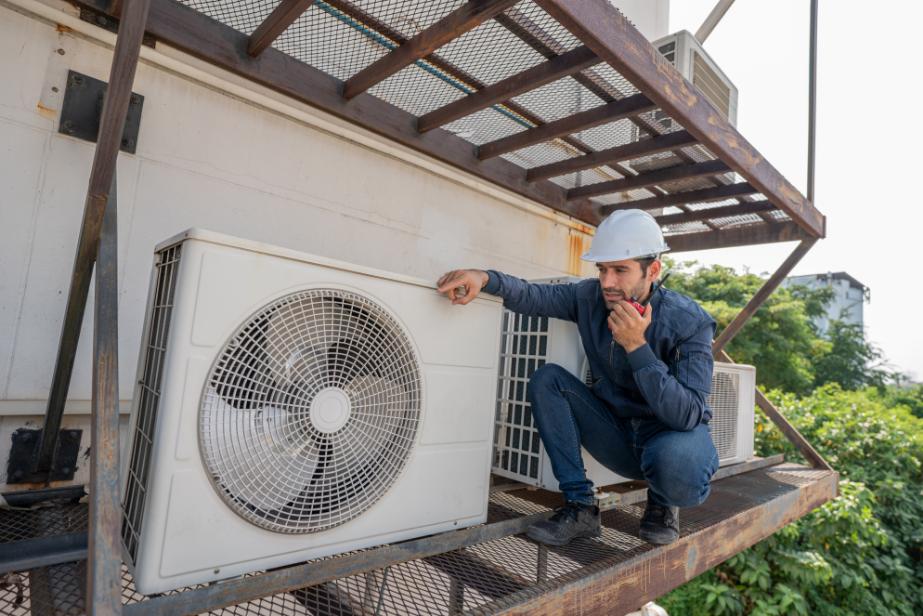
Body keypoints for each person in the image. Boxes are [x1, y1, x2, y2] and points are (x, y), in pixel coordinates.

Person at [436, 209, 718, 547]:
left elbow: (688, 414)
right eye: (602, 269)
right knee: (548, 380)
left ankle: (662, 501)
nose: (607, 282)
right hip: (616, 435)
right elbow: (532, 296)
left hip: (668, 441)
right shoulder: (589, 298)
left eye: (620, 270)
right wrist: (484, 278)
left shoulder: (691, 323)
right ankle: (581, 507)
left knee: (681, 463)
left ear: (652, 270)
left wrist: (637, 347)